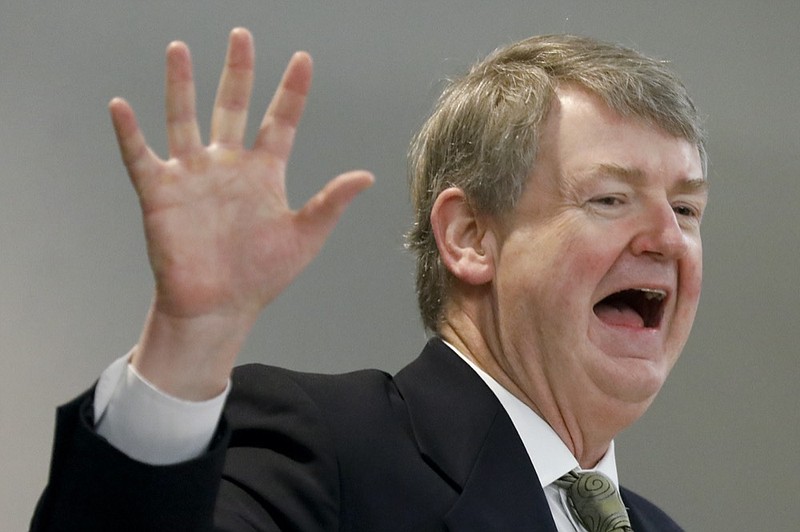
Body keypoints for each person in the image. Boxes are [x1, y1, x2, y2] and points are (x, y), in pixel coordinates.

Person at [31, 27, 707, 531]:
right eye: (610, 199)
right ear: (470, 237)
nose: (668, 239)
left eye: (685, 208)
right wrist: (191, 338)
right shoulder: (329, 449)